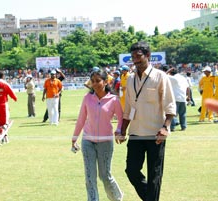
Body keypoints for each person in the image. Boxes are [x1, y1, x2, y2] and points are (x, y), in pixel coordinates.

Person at [119, 41, 176, 201]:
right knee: (131, 171)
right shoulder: (130, 79)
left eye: (138, 57)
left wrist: (166, 127)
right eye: (133, 58)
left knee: (154, 175)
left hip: (155, 134)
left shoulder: (160, 77)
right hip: (136, 133)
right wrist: (123, 129)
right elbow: (129, 107)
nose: (135, 60)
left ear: (148, 56)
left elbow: (170, 106)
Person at [71, 69, 124, 201]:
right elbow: (81, 119)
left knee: (105, 175)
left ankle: (117, 198)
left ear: (106, 82)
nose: (94, 84)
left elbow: (121, 119)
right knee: (90, 176)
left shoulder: (114, 100)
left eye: (98, 81)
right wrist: (74, 138)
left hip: (106, 142)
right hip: (88, 141)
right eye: (92, 81)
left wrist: (118, 131)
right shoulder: (87, 98)